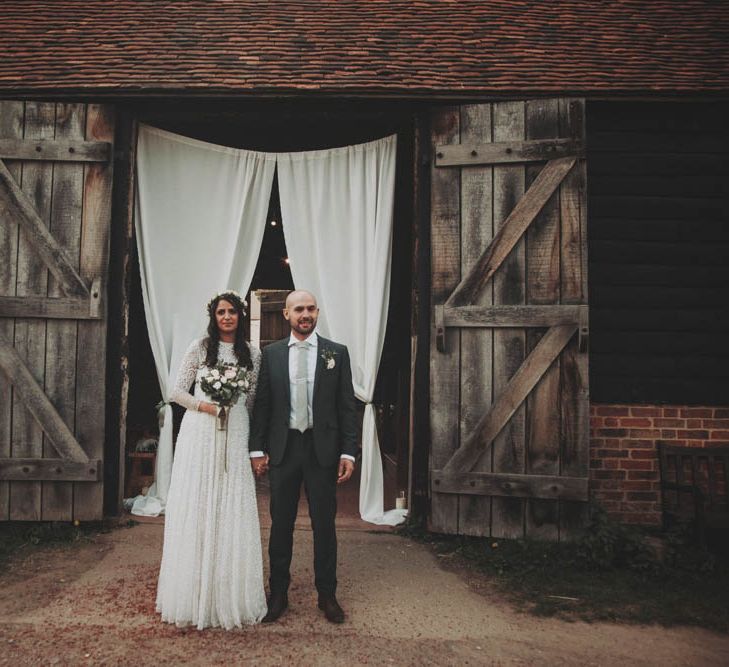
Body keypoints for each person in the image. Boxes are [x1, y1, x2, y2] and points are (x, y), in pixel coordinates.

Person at [156, 291, 267, 629]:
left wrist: (248, 439)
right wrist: (208, 406)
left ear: (241, 316)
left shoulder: (253, 354)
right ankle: (194, 590)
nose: (227, 317)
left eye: (233, 311)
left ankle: (227, 592)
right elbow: (177, 392)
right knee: (199, 502)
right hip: (201, 430)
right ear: (213, 316)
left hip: (235, 432)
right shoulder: (200, 348)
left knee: (231, 504)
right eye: (221, 312)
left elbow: (250, 400)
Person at [250, 289, 357, 624]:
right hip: (284, 449)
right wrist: (256, 449)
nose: (305, 314)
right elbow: (263, 405)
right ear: (286, 314)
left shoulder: (336, 353)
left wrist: (348, 452)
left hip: (322, 450)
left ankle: (327, 595)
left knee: (324, 525)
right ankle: (278, 594)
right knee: (281, 524)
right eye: (298, 309)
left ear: (317, 312)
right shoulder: (272, 354)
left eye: (310, 308)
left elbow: (346, 408)